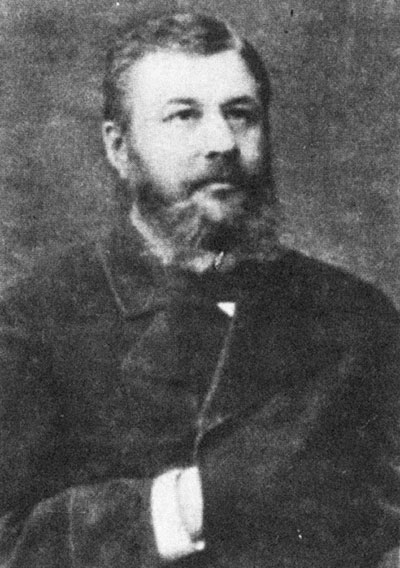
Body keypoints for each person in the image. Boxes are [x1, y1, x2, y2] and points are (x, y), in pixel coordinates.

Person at [0, 9, 399, 568]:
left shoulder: (354, 315)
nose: (222, 142)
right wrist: (195, 501)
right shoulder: (34, 322)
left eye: (241, 114)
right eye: (183, 115)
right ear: (119, 148)